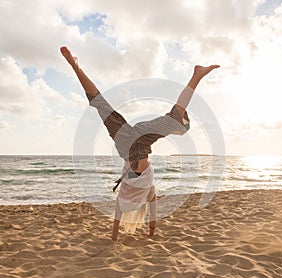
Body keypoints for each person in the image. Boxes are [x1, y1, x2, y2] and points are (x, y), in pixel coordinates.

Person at [60, 46, 219, 241]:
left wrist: (114, 239)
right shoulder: (144, 194)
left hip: (127, 143)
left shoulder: (129, 198)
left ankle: (75, 66)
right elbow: (149, 216)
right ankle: (197, 76)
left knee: (100, 104)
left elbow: (119, 224)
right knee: (173, 118)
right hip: (136, 141)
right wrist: (149, 234)